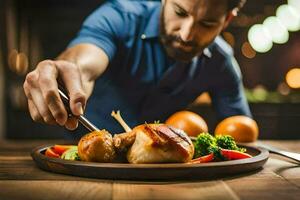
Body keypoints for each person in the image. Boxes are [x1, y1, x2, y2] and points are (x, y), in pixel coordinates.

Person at [23, 0, 251, 138]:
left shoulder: (221, 62)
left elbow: (241, 133)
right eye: (180, 12)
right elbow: (84, 62)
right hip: (84, 159)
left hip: (161, 173)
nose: (186, 35)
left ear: (227, 20)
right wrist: (68, 70)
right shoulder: (118, 17)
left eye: (207, 24)